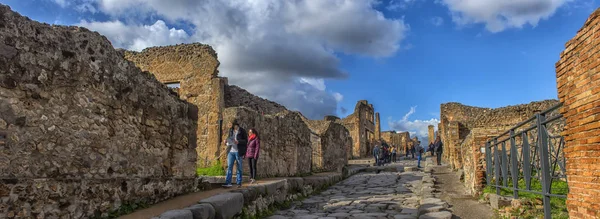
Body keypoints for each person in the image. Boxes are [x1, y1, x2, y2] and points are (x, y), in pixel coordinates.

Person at [222, 120, 248, 188]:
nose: (233, 127)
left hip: (238, 151)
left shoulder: (242, 131)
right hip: (231, 151)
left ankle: (239, 182)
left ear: (237, 125)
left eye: (234, 126)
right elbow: (229, 138)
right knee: (229, 167)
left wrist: (238, 141)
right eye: (233, 126)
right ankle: (228, 182)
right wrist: (226, 141)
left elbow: (246, 141)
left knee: (239, 167)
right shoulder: (231, 130)